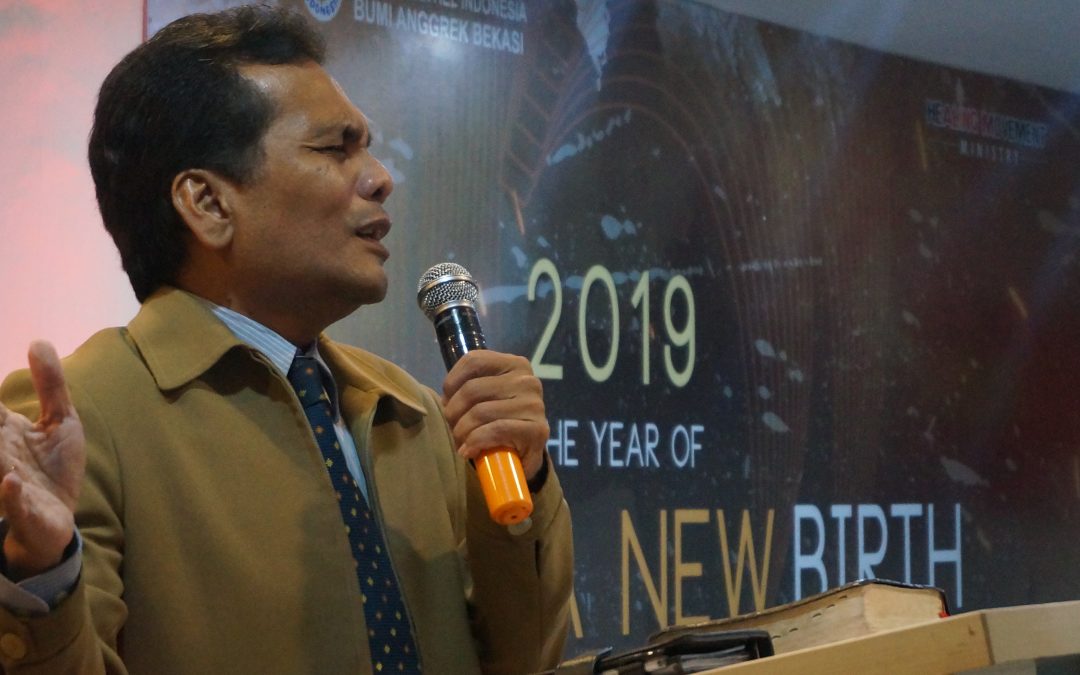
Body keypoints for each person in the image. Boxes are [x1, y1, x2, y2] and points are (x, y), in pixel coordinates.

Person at [0, 5, 573, 674]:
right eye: (336, 148)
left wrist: (527, 476)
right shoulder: (74, 421)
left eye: (367, 146)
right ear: (208, 204)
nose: (380, 177)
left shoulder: (415, 415)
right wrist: (41, 576)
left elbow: (522, 658)